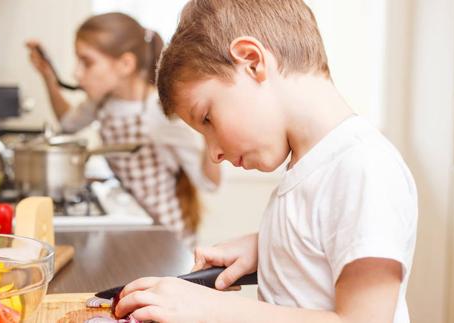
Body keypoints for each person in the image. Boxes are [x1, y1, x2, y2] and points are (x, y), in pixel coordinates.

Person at [113, 1, 418, 322]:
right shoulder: (314, 167)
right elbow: (326, 239)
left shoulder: (363, 167)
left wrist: (210, 308)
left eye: (207, 118)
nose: (214, 153)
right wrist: (269, 248)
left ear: (251, 61)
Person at [26, 13, 221, 245]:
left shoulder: (158, 113)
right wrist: (48, 77)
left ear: (125, 64)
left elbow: (208, 183)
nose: (76, 74)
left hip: (165, 236)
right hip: (131, 227)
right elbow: (68, 123)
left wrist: (213, 130)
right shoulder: (102, 102)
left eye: (86, 62)